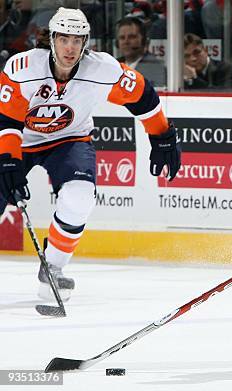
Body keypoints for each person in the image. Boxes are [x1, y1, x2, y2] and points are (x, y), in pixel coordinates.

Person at [0, 8, 181, 301]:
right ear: (51, 40)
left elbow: (143, 94)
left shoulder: (102, 69)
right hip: (18, 140)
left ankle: (54, 270)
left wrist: (162, 135)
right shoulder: (22, 68)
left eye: (77, 40)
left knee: (80, 196)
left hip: (68, 140)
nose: (70, 47)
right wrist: (8, 160)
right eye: (64, 39)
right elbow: (6, 121)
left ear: (86, 43)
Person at [115, 16, 166, 87]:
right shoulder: (114, 66)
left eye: (132, 37)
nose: (126, 41)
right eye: (122, 38)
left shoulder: (155, 67)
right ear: (117, 43)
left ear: (144, 40)